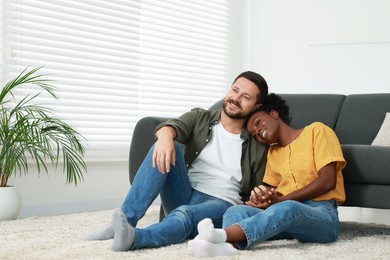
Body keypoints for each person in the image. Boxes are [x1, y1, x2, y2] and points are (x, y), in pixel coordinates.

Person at [88, 71, 269, 251]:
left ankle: (134, 238)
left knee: (185, 214)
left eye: (245, 96)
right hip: (184, 191)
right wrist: (165, 136)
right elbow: (172, 127)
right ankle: (125, 221)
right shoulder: (201, 117)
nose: (235, 98)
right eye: (235, 90)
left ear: (256, 106)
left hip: (221, 202)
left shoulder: (258, 142)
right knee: (168, 145)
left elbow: (268, 184)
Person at [188, 93, 346, 257]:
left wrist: (280, 201)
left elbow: (328, 181)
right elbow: (273, 193)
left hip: (322, 215)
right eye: (254, 134)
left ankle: (222, 236)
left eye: (258, 122)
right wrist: (261, 199)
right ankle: (229, 247)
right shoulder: (273, 153)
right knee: (235, 212)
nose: (257, 131)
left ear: (274, 114)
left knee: (288, 207)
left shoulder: (317, 131)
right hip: (285, 218)